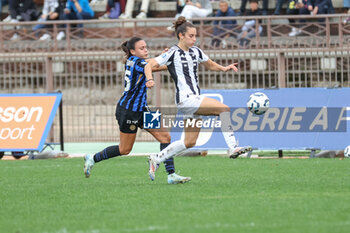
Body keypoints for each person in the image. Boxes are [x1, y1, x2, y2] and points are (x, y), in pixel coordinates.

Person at [145, 16, 252, 181]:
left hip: (192, 100)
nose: (194, 39)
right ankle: (233, 147)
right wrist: (149, 78)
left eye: (195, 36)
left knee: (189, 142)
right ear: (181, 36)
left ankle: (157, 158)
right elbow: (149, 64)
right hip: (186, 99)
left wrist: (224, 68)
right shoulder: (173, 52)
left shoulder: (196, 51)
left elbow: (209, 64)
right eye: (191, 36)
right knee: (224, 109)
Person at [83, 37, 191, 184]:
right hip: (128, 111)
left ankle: (171, 175)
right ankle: (93, 158)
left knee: (165, 137)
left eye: (146, 47)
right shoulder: (137, 62)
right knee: (124, 149)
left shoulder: (136, 62)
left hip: (143, 109)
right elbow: (150, 67)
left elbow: (155, 66)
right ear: (133, 51)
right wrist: (151, 76)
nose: (146, 50)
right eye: (142, 48)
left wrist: (171, 61)